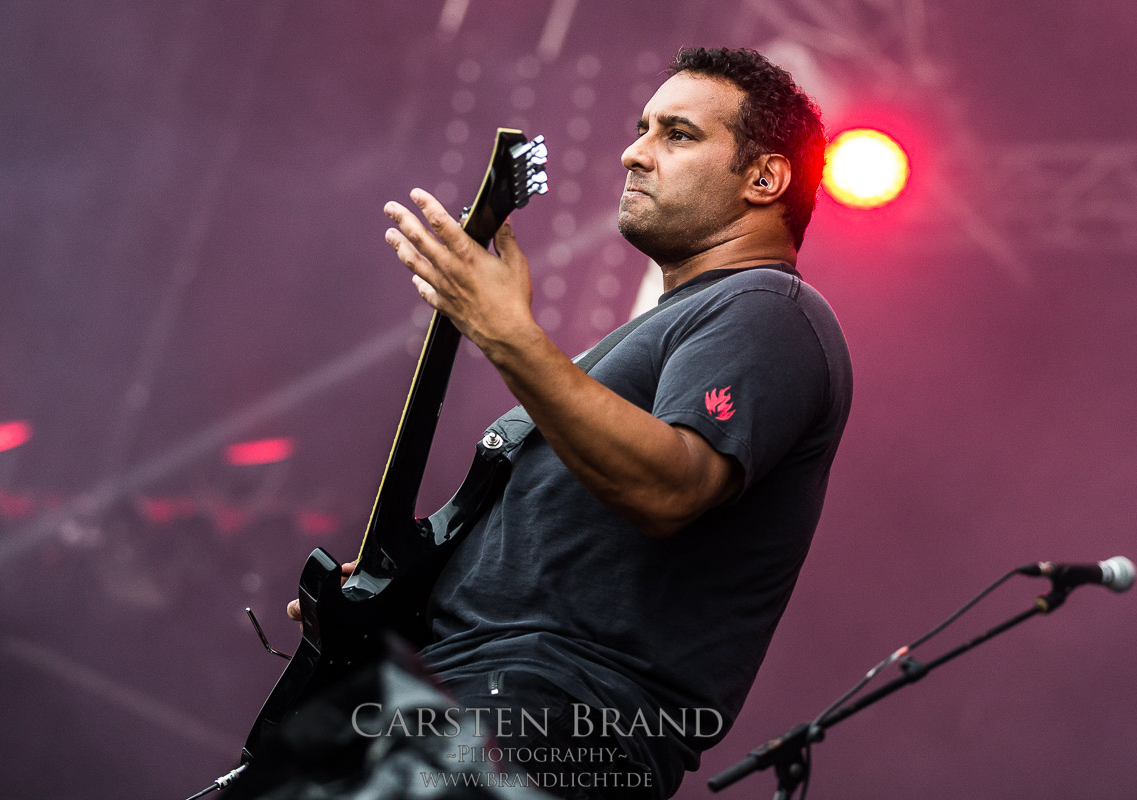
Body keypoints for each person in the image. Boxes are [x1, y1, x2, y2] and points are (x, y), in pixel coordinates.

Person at [291, 46, 852, 799]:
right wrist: (401, 592)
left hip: (555, 720)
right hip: (463, 704)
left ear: (764, 178)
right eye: (642, 128)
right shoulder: (660, 330)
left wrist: (507, 332)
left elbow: (671, 488)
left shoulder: (768, 310)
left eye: (677, 134)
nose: (634, 152)